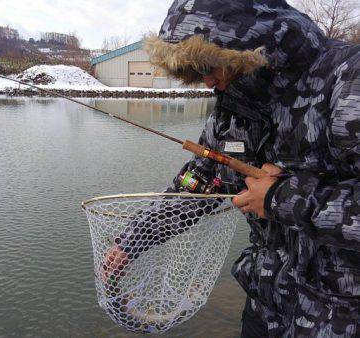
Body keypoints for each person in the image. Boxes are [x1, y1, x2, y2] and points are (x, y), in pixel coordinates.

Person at [105, 0, 359, 336]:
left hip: (343, 317)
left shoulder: (347, 80)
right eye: (195, 72)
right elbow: (199, 183)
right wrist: (132, 242)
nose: (207, 81)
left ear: (251, 46)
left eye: (210, 66)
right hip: (266, 304)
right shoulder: (234, 104)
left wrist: (281, 199)